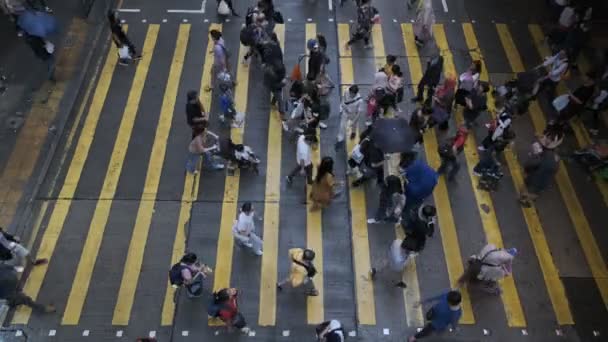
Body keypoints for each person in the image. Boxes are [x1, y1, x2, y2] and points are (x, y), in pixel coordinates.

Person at [519, 141, 559, 207]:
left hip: (534, 176)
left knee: (526, 185)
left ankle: (523, 196)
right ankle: (525, 198)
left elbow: (533, 163)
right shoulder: (556, 161)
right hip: (543, 181)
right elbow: (554, 172)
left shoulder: (544, 155)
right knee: (536, 193)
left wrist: (526, 169)